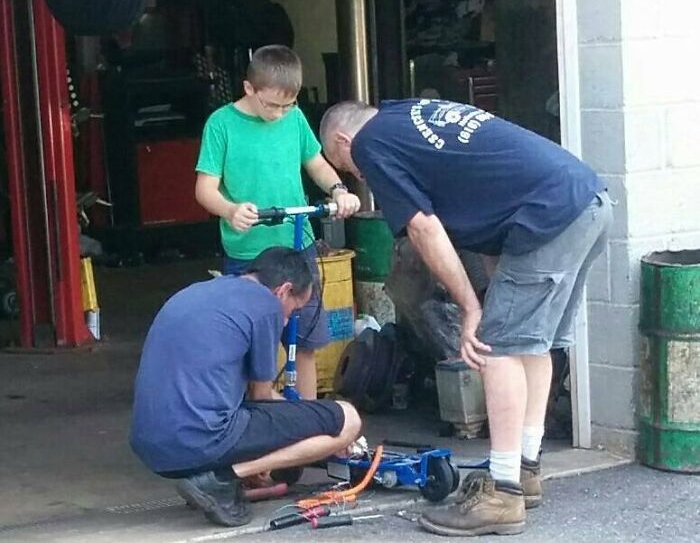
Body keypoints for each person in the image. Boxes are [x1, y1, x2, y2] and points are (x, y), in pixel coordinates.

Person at [319, 99, 612, 537]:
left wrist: (472, 310)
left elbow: (424, 229)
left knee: (498, 350)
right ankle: (524, 468)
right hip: (586, 201)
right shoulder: (405, 115)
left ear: (344, 141)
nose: (355, 175)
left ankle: (504, 494)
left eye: (344, 164)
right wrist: (489, 297)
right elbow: (489, 204)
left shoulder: (371, 146)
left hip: (549, 216)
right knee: (531, 345)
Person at [130, 247, 362, 528]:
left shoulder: (200, 291)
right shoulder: (264, 307)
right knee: (348, 419)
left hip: (151, 447)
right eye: (294, 310)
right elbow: (261, 396)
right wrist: (319, 425)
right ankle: (224, 478)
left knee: (273, 421)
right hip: (199, 440)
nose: (287, 321)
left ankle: (214, 477)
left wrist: (303, 417)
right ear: (283, 290)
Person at [195, 45, 361, 399]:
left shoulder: (294, 119)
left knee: (305, 340)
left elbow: (315, 163)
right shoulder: (221, 124)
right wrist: (229, 210)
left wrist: (338, 189)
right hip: (249, 253)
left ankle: (307, 418)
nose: (280, 113)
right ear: (249, 88)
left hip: (297, 246)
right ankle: (259, 413)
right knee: (254, 341)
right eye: (272, 105)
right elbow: (204, 188)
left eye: (289, 105)